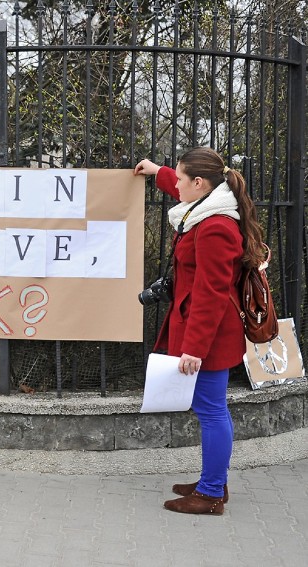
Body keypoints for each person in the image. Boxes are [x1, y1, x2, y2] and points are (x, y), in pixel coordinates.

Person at [134, 147, 265, 515]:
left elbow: (211, 293)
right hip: (204, 332)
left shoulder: (215, 228)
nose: (175, 184)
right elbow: (180, 191)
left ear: (199, 182)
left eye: (179, 177)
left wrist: (194, 349)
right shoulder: (206, 208)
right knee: (208, 408)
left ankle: (210, 494)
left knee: (211, 411)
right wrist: (156, 171)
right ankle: (213, 479)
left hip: (209, 335)